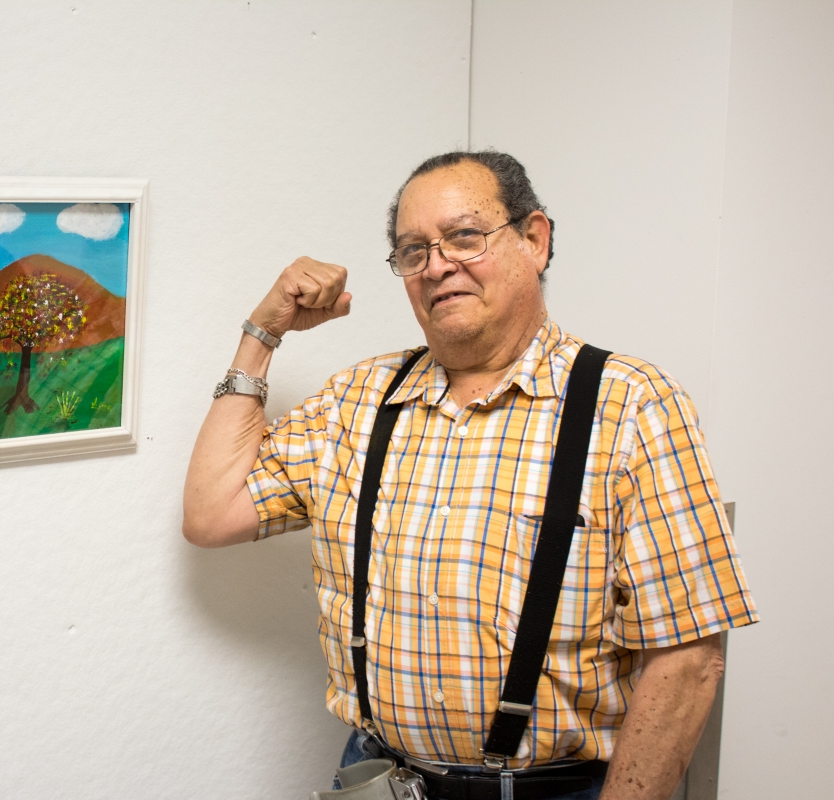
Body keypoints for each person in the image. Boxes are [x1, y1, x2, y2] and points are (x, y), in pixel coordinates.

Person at [182, 150, 758, 800]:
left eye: (464, 237)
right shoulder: (358, 400)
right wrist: (265, 330)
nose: (437, 267)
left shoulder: (632, 405)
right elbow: (211, 512)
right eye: (412, 251)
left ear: (534, 240)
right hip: (377, 778)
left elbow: (687, 659)